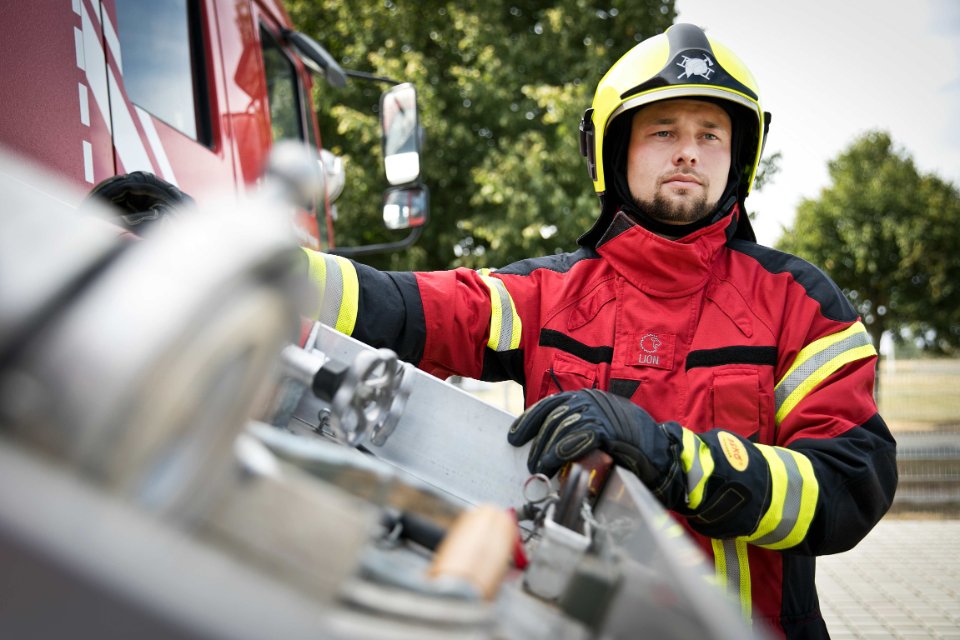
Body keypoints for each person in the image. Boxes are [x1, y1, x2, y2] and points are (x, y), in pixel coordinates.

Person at [303, 23, 897, 639]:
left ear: (737, 156)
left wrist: (674, 458)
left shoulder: (800, 302)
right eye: (664, 131)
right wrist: (261, 262)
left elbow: (850, 486)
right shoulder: (550, 294)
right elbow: (401, 308)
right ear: (614, 151)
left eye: (710, 134)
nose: (688, 152)